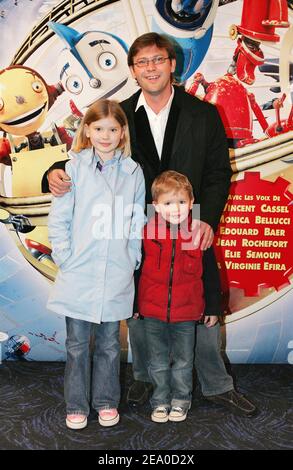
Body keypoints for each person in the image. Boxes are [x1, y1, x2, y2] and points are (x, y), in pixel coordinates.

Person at [44, 33, 257, 417]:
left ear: (172, 64)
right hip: (141, 228)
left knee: (201, 306)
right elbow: (85, 156)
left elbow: (218, 173)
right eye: (142, 63)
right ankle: (145, 380)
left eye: (158, 60)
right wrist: (54, 171)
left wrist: (207, 218)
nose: (151, 68)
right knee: (142, 309)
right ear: (132, 70)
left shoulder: (203, 113)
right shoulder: (121, 115)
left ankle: (216, 385)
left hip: (191, 224)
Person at [46, 99, 145, 429]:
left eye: (113, 129)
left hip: (117, 270)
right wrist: (65, 257)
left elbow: (136, 220)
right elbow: (59, 218)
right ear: (87, 130)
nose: (105, 135)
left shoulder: (133, 172)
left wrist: (132, 257)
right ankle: (76, 405)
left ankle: (106, 401)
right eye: (99, 128)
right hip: (80, 271)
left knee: (109, 344)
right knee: (76, 344)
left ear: (122, 133)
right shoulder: (73, 168)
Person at [139, 170, 219, 423]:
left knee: (184, 361)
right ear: (156, 206)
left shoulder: (198, 233)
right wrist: (133, 304)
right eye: (168, 203)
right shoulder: (146, 233)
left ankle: (181, 401)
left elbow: (210, 275)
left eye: (182, 202)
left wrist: (213, 307)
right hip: (152, 312)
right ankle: (160, 401)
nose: (176, 209)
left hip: (187, 312)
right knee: (158, 361)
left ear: (192, 203)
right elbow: (137, 270)